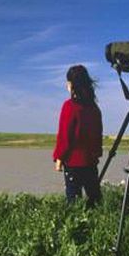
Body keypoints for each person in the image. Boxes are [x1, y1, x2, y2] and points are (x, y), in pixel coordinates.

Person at [53, 65, 103, 208]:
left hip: (73, 162)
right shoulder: (94, 108)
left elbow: (64, 136)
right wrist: (96, 154)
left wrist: (59, 158)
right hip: (90, 161)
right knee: (94, 197)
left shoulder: (69, 106)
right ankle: (97, 221)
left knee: (73, 200)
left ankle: (77, 227)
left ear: (72, 85)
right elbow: (98, 134)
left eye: (68, 82)